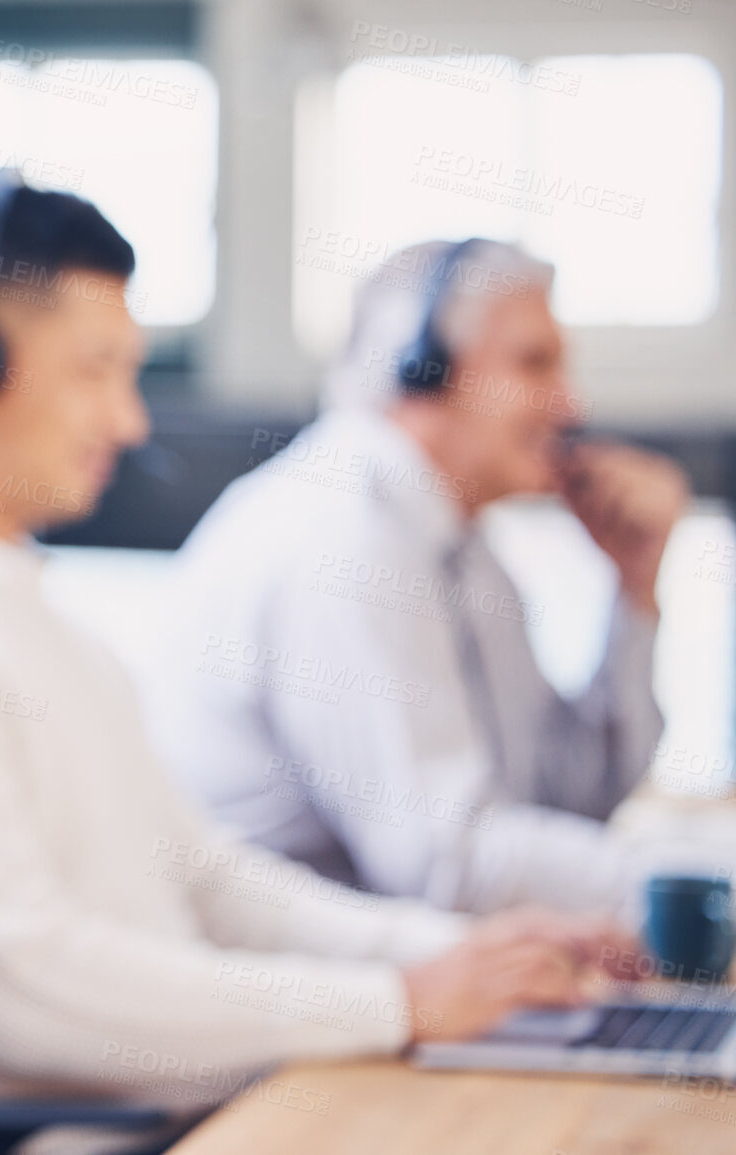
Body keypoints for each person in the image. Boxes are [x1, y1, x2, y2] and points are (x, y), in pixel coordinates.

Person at [0, 178, 628, 1117]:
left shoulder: (36, 619)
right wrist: (398, 1003)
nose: (128, 422)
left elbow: (207, 879)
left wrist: (443, 956)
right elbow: (27, 990)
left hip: (196, 1107)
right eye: (95, 370)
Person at [150, 238, 691, 917]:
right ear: (422, 367)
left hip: (414, 976)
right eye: (534, 364)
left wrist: (633, 591)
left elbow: (568, 798)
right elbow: (447, 864)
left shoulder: (462, 546)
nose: (570, 404)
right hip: (306, 995)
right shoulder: (342, 538)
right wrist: (688, 888)